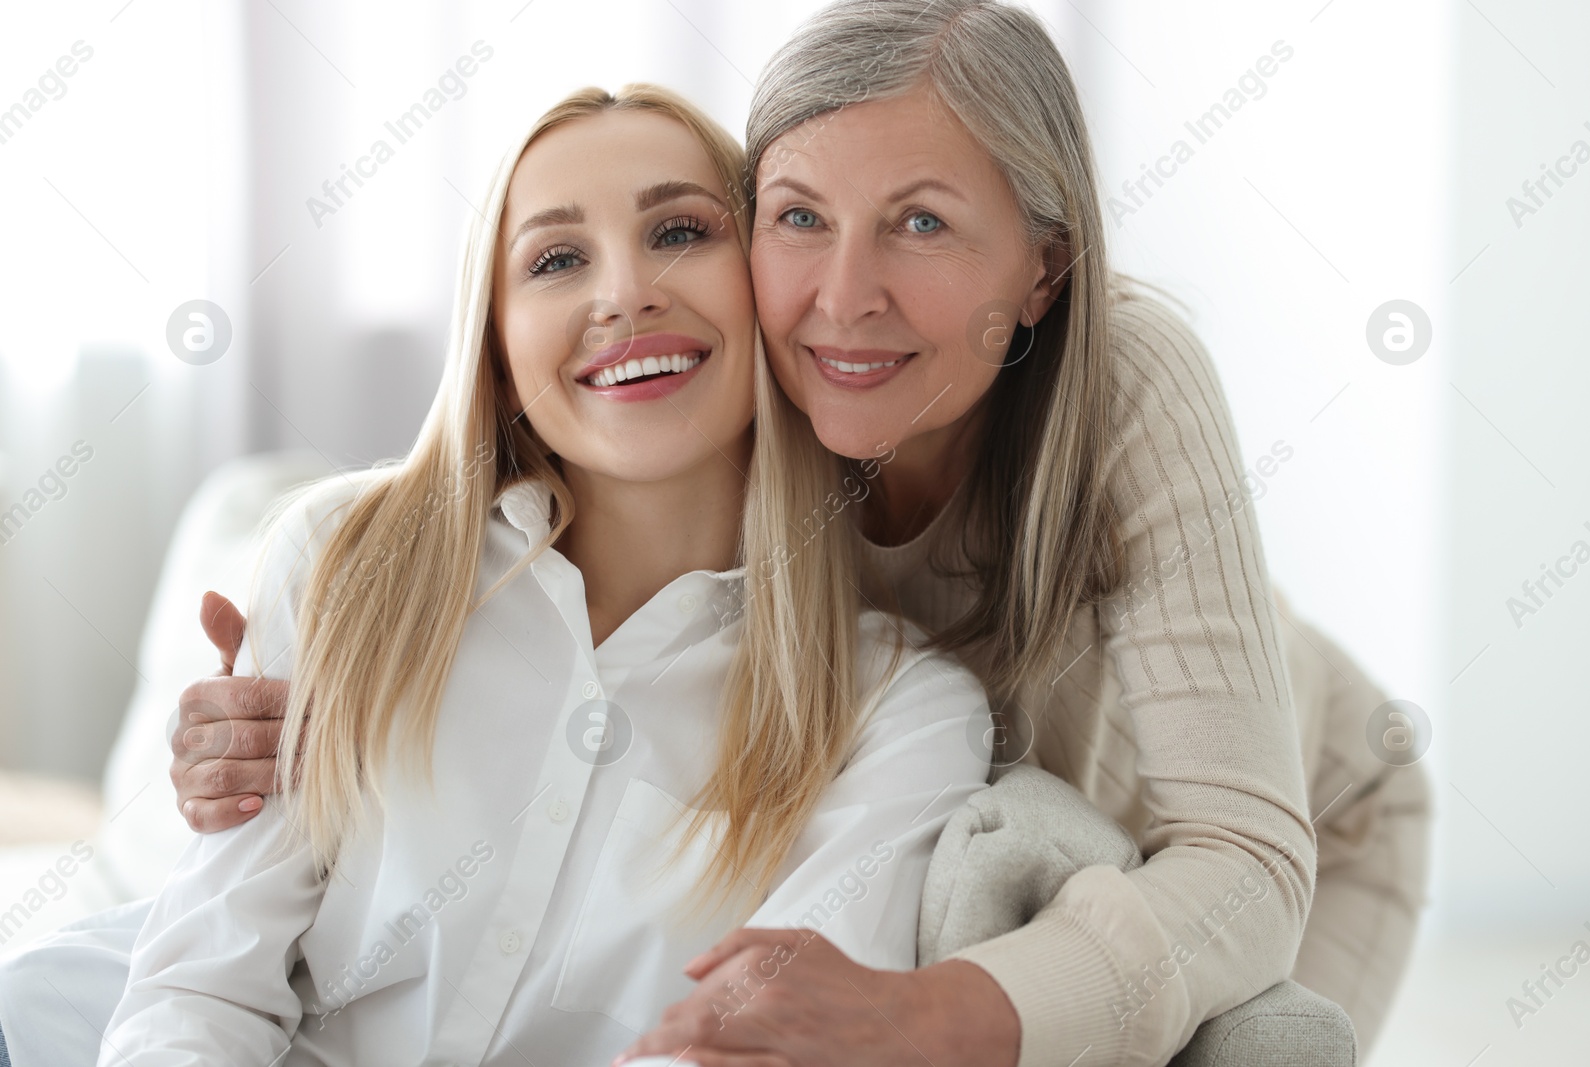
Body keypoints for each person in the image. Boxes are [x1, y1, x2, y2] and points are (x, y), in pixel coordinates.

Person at [11, 2, 1432, 1065]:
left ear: (1044, 264)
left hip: (1289, 814)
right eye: (801, 218)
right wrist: (232, 742)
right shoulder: (387, 553)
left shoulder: (1098, 416)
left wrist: (931, 1010)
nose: (844, 297)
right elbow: (221, 951)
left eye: (926, 224)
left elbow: (1240, 854)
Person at [0, 85, 993, 1066]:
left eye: (680, 232)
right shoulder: (345, 558)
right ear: (500, 347)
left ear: (775, 288)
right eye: (557, 259)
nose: (624, 293)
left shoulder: (901, 714)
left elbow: (758, 1044)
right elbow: (204, 984)